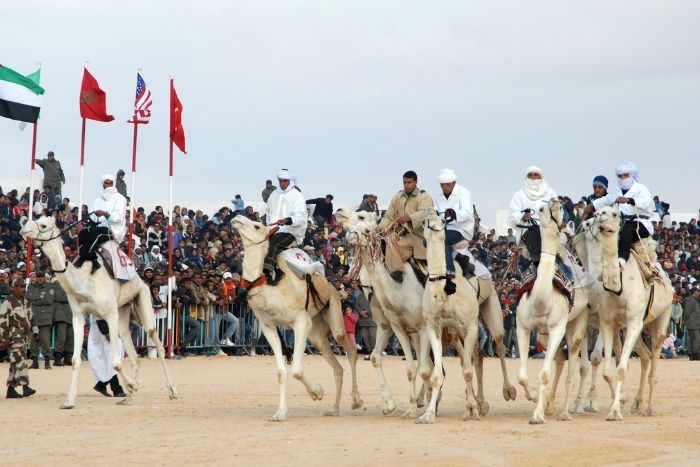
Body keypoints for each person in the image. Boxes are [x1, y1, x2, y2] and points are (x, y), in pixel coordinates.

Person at [587, 162, 654, 269]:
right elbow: (607, 199)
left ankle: (622, 259)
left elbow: (646, 202)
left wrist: (629, 200)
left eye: (626, 175)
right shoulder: (617, 190)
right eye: (620, 176)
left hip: (639, 223)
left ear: (632, 175)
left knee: (628, 228)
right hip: (620, 223)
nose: (623, 178)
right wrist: (592, 205)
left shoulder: (641, 189)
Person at [377, 170, 434, 282]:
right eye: (404, 182)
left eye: (409, 182)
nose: (406, 185)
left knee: (391, 250)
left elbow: (426, 212)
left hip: (418, 237)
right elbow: (388, 217)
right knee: (389, 239)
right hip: (401, 235)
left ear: (415, 182)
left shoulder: (424, 197)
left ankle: (395, 271)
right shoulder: (398, 197)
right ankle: (396, 272)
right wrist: (378, 228)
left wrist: (409, 218)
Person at [262, 169, 307, 285]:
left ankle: (266, 274)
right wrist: (268, 227)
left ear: (289, 181)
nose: (282, 184)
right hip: (274, 229)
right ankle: (277, 270)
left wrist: (288, 220)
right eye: (280, 181)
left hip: (291, 230)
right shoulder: (273, 194)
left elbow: (301, 216)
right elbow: (268, 212)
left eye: (285, 181)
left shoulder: (297, 196)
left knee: (273, 243)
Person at [75, 174, 127, 273]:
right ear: (102, 184)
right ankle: (92, 259)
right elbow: (93, 214)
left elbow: (119, 217)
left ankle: (85, 257)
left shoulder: (120, 198)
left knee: (95, 234)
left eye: (110, 183)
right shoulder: (98, 199)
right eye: (106, 183)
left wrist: (105, 214)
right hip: (97, 226)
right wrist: (96, 217)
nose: (108, 185)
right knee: (83, 233)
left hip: (112, 228)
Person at [433, 168, 475, 282]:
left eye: (447, 184)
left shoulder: (464, 192)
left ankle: (450, 271)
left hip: (461, 228)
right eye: (442, 185)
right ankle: (458, 257)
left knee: (443, 239)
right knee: (427, 240)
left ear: (453, 183)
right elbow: (436, 213)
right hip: (444, 228)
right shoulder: (438, 197)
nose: (444, 187)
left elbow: (467, 213)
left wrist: (454, 213)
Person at [509, 166, 557, 265]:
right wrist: (523, 217)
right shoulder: (519, 195)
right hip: (527, 230)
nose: (533, 178)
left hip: (548, 229)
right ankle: (537, 264)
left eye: (536, 175)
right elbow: (513, 214)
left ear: (541, 177)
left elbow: (557, 211)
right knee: (533, 237)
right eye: (530, 175)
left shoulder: (550, 193)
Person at [0, 278, 37, 398]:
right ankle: (25, 387)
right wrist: (3, 338)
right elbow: (2, 321)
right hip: (13, 336)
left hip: (24, 336)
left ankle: (10, 389)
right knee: (21, 361)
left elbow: (31, 318)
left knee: (15, 363)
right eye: (20, 286)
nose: (23, 289)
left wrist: (35, 330)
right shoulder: (8, 302)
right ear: (14, 287)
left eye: (24, 286)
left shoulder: (26, 302)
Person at [87, 318, 127, 397]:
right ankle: (116, 389)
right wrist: (106, 331)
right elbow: (98, 313)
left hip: (113, 326)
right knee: (111, 359)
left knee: (112, 359)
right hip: (103, 330)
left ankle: (101, 385)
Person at [26, 271, 54, 369]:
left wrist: (34, 299)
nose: (40, 278)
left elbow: (48, 300)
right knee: (33, 340)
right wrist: (40, 297)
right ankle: (35, 362)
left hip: (45, 317)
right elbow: (28, 297)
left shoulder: (49, 287)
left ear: (44, 278)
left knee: (45, 340)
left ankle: (47, 362)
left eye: (42, 277)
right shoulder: (31, 286)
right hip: (33, 317)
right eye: (38, 276)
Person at [51, 279, 74, 367]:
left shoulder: (69, 283)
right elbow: (58, 297)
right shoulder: (56, 283)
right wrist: (70, 296)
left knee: (70, 337)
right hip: (61, 313)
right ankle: (57, 356)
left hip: (70, 313)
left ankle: (68, 356)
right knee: (61, 336)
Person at [684, 287, 700, 361]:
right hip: (693, 323)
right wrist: (688, 321)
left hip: (695, 323)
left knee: (693, 339)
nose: (698, 293)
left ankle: (691, 354)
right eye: (697, 292)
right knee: (696, 339)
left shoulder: (694, 300)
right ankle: (695, 353)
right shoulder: (690, 300)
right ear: (694, 292)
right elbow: (687, 312)